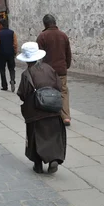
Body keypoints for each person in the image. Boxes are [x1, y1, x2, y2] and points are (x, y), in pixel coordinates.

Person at [16, 42, 66, 174]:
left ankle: (37, 164)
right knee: (53, 135)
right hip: (53, 109)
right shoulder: (49, 69)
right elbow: (59, 86)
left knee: (35, 136)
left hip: (36, 112)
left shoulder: (27, 74)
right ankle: (53, 159)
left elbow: (22, 93)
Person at [36, 14, 72, 126]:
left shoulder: (42, 36)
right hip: (61, 69)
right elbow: (68, 54)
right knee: (63, 92)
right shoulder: (63, 36)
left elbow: (39, 56)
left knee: (48, 92)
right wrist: (66, 66)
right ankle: (66, 117)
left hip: (48, 71)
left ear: (45, 24)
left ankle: (51, 115)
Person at [0, 18, 18, 92]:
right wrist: (15, 52)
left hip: (2, 54)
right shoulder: (12, 33)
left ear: (1, 25)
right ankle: (12, 80)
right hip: (11, 53)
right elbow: (15, 44)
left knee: (2, 70)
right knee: (11, 68)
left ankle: (4, 85)